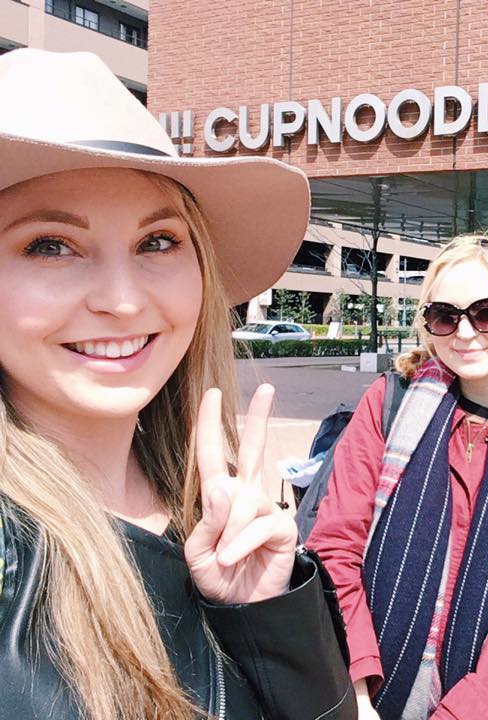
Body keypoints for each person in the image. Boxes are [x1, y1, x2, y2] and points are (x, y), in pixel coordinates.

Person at [0, 49, 354, 720]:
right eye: (50, 244)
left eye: (157, 241)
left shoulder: (220, 517)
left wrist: (265, 617)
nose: (123, 300)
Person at [307, 234, 488, 720]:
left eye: (486, 313)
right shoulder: (389, 405)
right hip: (366, 694)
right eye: (445, 315)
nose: (464, 333)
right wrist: (357, 695)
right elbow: (336, 547)